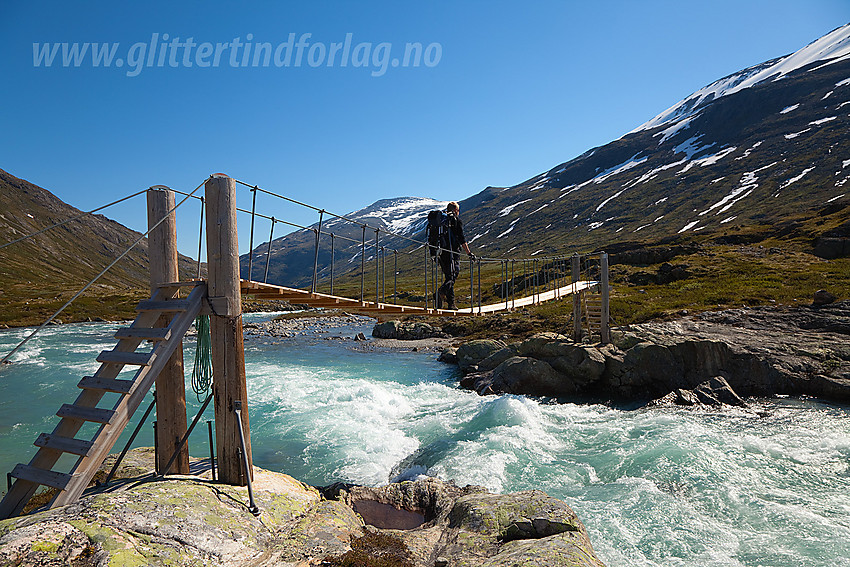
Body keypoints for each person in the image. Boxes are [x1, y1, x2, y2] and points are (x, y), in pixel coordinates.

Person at [437, 201, 475, 310]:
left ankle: (451, 304)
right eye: (458, 210)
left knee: (448, 276)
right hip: (453, 253)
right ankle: (440, 292)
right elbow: (461, 238)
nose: (458, 212)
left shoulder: (441, 221)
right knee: (453, 275)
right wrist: (469, 253)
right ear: (455, 210)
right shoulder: (455, 221)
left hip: (441, 253)